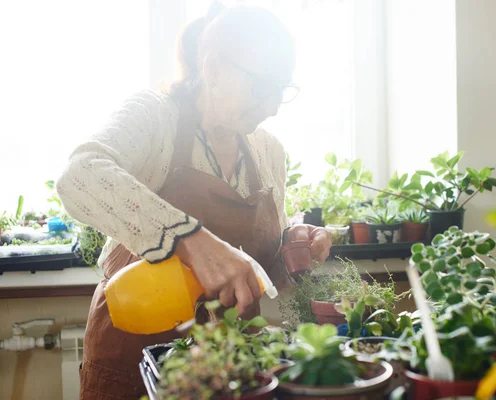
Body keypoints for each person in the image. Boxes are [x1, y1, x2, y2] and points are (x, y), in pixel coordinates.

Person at [56, 3, 332, 399]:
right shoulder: (154, 117)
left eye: (282, 90)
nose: (272, 106)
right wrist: (191, 240)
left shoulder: (269, 151)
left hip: (231, 362)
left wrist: (294, 245)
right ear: (214, 68)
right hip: (133, 353)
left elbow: (259, 271)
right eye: (262, 86)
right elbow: (78, 176)